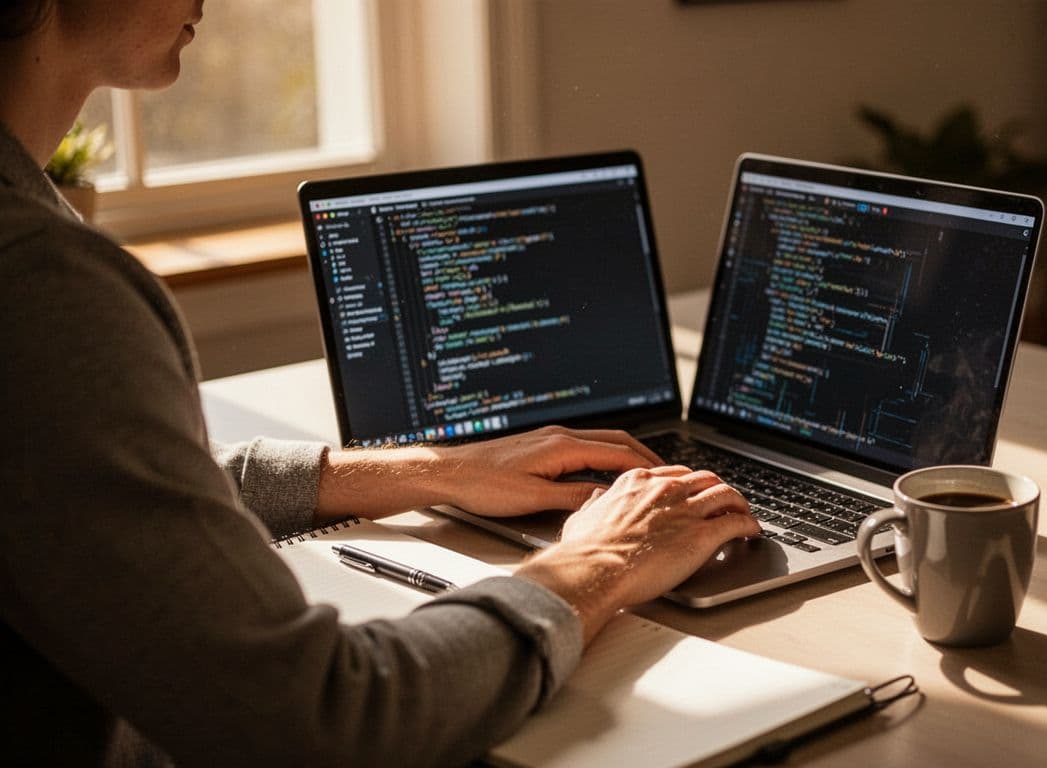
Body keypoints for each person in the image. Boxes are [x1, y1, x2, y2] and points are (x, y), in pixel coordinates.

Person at [0, 1, 759, 764]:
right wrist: (597, 564)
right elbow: (321, 719)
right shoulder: (41, 287)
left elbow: (103, 478)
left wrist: (434, 469)